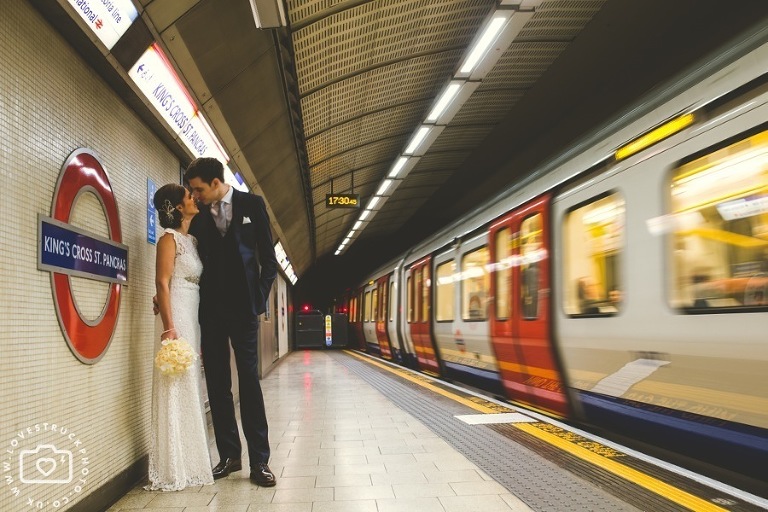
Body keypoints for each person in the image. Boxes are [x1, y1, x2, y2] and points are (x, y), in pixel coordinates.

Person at [185, 157, 279, 487]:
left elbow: (269, 260)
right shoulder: (196, 217)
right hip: (210, 310)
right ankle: (229, 456)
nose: (194, 195)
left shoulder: (251, 204)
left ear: (215, 183)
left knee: (249, 384)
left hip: (243, 310)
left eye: (198, 189)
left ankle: (260, 461)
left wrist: (258, 297)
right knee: (218, 385)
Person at [147, 184, 213, 491]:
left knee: (190, 386)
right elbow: (162, 282)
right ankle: (174, 466)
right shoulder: (168, 240)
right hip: (178, 318)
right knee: (178, 383)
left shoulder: (193, 240)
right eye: (189, 196)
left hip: (192, 310)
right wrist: (169, 327)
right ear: (176, 206)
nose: (194, 199)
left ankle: (190, 460)